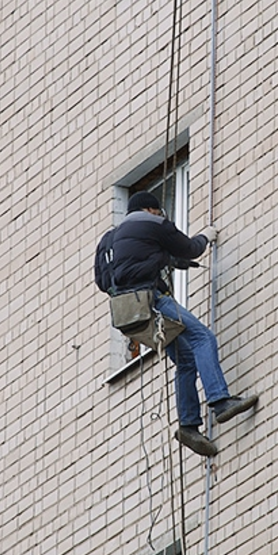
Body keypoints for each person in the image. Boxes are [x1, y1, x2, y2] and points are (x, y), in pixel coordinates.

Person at [95, 191, 257, 456]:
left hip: (127, 314)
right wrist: (206, 236)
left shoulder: (110, 239)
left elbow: (106, 279)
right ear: (151, 210)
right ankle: (220, 401)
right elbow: (190, 247)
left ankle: (188, 425)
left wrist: (167, 260)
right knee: (202, 338)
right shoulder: (154, 224)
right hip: (152, 299)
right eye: (159, 211)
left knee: (185, 359)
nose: (161, 215)